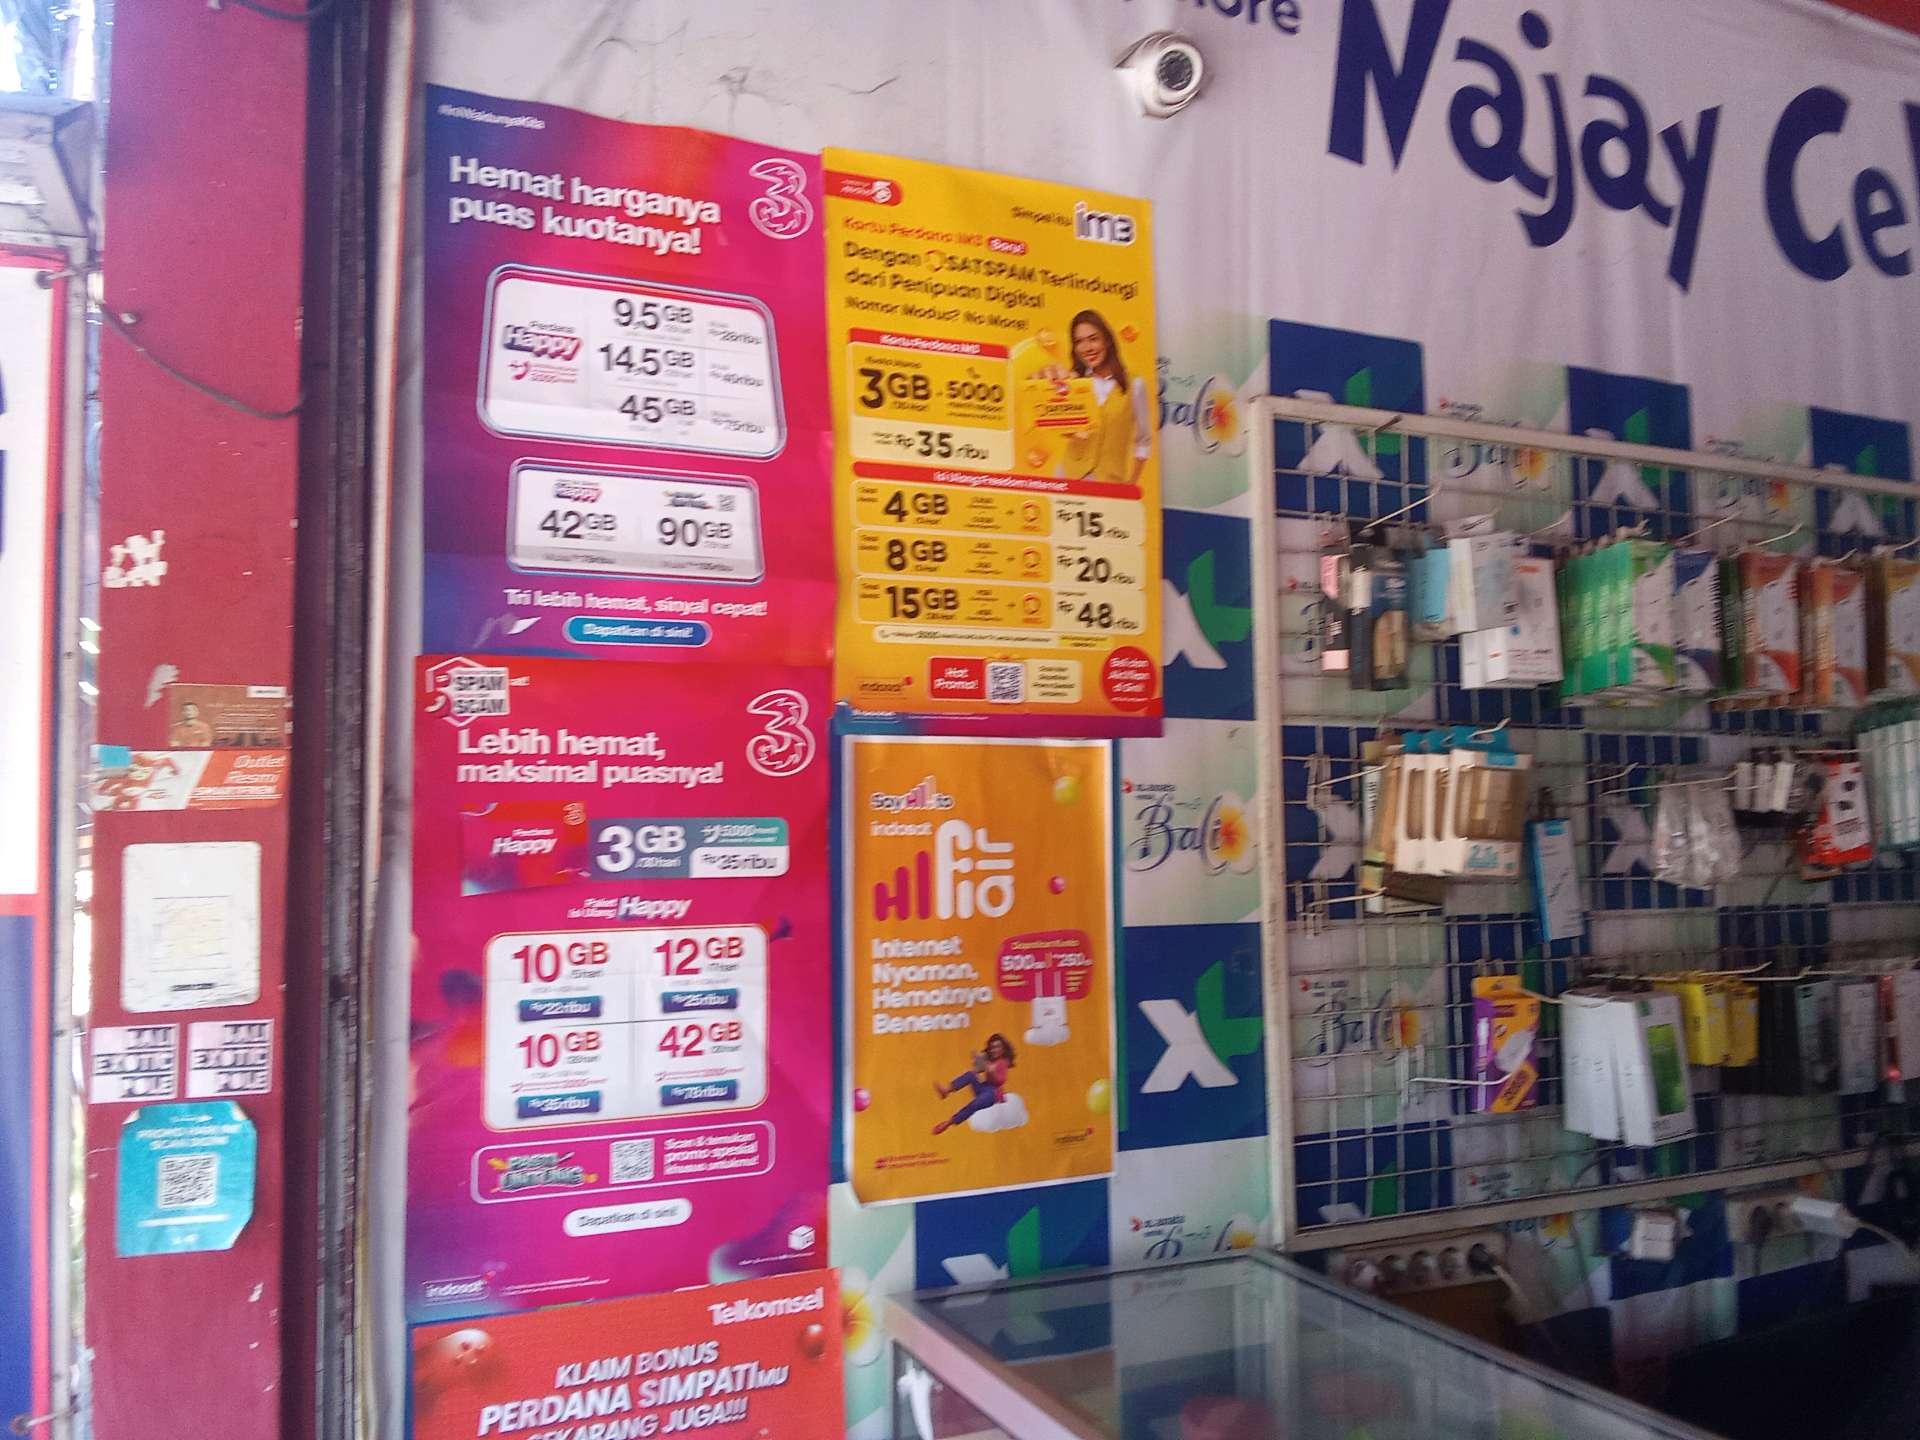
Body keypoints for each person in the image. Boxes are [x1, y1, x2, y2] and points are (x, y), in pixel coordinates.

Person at [1061, 309, 1151, 488]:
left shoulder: (1135, 385)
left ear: (1107, 340)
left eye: (1093, 339)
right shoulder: (1074, 382)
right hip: (1068, 477)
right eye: (1079, 342)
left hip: (1110, 483)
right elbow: (1059, 426)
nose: (1087, 348)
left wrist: (1132, 483)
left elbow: (1143, 439)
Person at [932, 1033, 1015, 1135]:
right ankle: (946, 1091)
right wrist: (977, 1061)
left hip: (993, 1093)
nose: (994, 1050)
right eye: (992, 1047)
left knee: (974, 1104)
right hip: (983, 1088)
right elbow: (977, 1070)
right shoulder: (989, 1061)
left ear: (1003, 1049)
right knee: (970, 1074)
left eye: (997, 1047)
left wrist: (992, 1072)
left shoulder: (1002, 1062)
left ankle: (948, 1123)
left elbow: (1001, 1081)